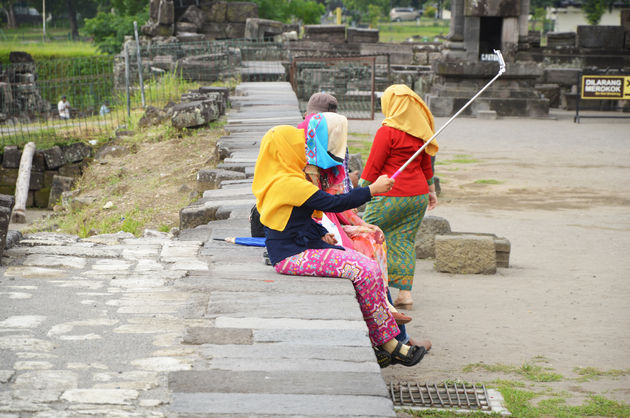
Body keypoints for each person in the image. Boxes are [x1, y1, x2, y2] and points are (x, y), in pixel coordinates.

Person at [252, 118, 426, 368]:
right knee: (365, 270)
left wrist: (319, 231)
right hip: (291, 256)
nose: (305, 153)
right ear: (285, 151)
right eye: (299, 148)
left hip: (300, 247)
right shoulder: (289, 183)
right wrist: (372, 190)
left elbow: (292, 219)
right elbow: (333, 203)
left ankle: (381, 343)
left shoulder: (279, 178)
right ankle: (390, 344)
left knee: (364, 264)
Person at [359, 84, 439, 310]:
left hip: (390, 195)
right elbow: (426, 165)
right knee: (404, 240)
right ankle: (405, 293)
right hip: (418, 196)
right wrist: (431, 192)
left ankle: (375, 289)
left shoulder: (387, 131)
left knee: (369, 236)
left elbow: (373, 166)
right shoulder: (420, 132)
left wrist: (359, 194)